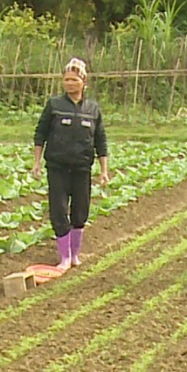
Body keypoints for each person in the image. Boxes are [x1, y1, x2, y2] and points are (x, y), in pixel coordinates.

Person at [32, 57, 110, 272]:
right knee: (58, 210)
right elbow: (41, 133)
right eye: (66, 79)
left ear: (83, 82)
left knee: (80, 211)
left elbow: (100, 141)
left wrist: (104, 171)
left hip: (81, 168)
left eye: (74, 79)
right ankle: (64, 257)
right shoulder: (54, 105)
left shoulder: (92, 109)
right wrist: (37, 163)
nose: (69, 83)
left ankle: (75, 254)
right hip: (57, 167)